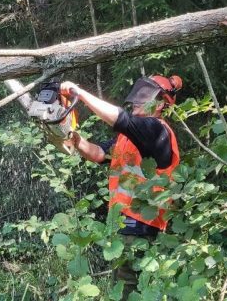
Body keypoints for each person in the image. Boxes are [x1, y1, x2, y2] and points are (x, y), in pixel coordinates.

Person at [59, 75, 182, 298]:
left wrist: (80, 93)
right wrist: (73, 138)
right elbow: (97, 153)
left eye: (145, 97)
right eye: (139, 95)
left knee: (131, 292)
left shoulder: (156, 130)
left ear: (162, 104)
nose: (137, 101)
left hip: (142, 228)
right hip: (122, 226)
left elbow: (120, 119)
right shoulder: (128, 138)